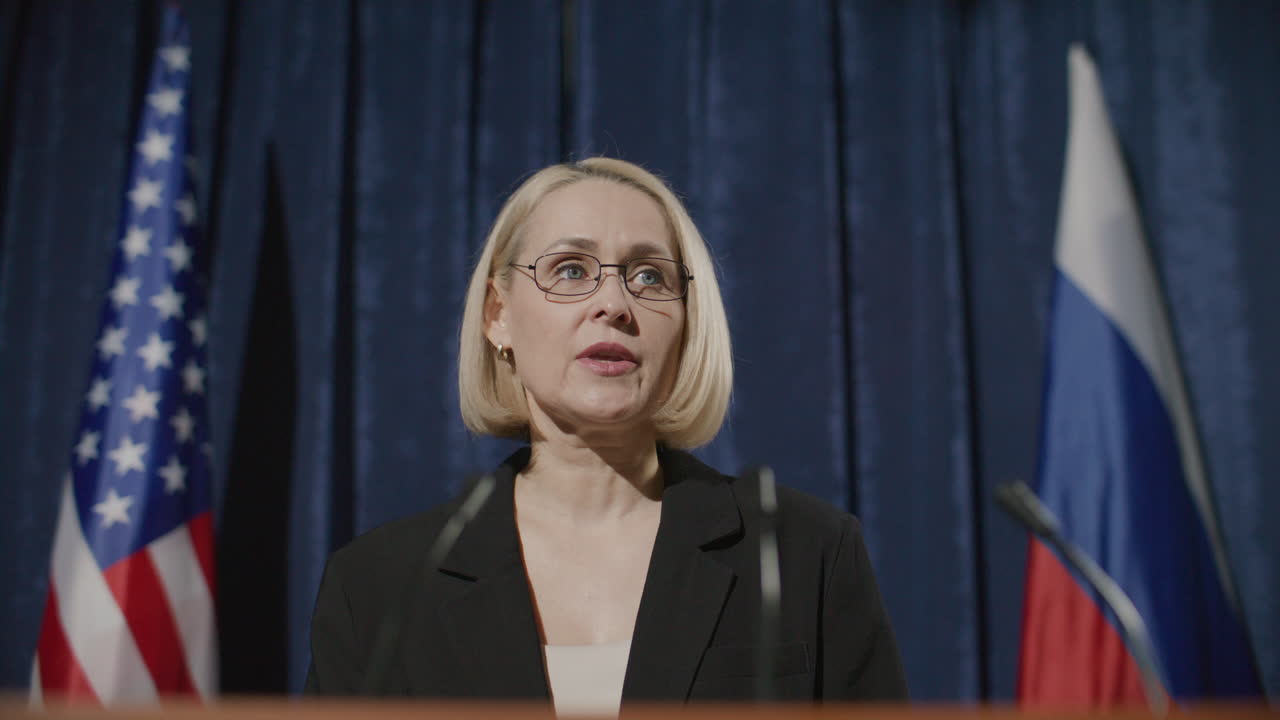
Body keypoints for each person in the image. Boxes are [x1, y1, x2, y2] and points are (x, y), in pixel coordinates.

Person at [305, 158, 908, 711]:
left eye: (649, 276)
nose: (614, 304)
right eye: (571, 270)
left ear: (687, 325)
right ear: (498, 315)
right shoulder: (379, 587)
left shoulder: (805, 555)